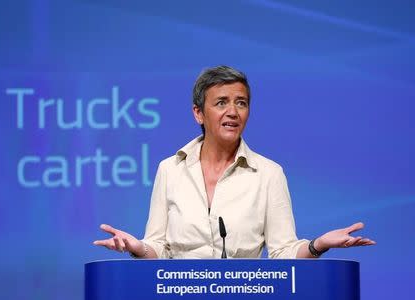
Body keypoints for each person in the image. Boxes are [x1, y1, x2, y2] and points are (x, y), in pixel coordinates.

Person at [94, 66, 375, 259]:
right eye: (221, 103)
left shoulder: (269, 174)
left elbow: (283, 253)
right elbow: (158, 246)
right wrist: (138, 248)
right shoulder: (169, 170)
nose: (233, 112)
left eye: (241, 102)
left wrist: (317, 245)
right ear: (198, 113)